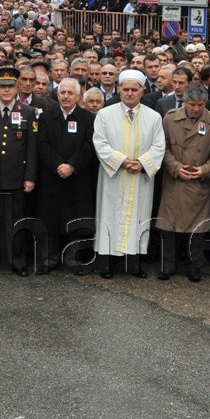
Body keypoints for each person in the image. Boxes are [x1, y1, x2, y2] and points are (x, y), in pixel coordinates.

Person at [92, 69, 166, 278]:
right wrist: (121, 161)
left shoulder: (153, 117)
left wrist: (142, 163)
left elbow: (159, 146)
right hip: (113, 176)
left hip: (139, 177)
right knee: (109, 217)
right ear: (119, 90)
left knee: (138, 218)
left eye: (135, 89)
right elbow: (100, 143)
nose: (130, 93)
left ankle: (133, 263)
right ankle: (105, 263)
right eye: (126, 89)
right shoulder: (105, 114)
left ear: (143, 91)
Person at [158, 84, 210, 282]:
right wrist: (175, 167)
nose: (196, 109)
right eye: (192, 104)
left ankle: (194, 266)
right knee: (168, 226)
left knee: (197, 228)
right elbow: (163, 147)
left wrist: (205, 170)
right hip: (175, 180)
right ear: (184, 102)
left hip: (198, 181)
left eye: (200, 105)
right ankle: (168, 265)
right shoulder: (170, 118)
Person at [0, 66, 39, 277]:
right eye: (1, 87)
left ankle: (18, 260)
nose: (6, 91)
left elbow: (31, 149)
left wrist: (30, 177)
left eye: (10, 86)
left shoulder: (29, 112)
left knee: (17, 220)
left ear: (16, 87)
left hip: (17, 176)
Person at [34, 77, 96, 274]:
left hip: (77, 178)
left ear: (78, 96)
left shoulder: (88, 119)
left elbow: (89, 146)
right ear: (57, 94)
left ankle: (72, 258)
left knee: (75, 217)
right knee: (49, 217)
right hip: (52, 176)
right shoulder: (46, 116)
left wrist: (72, 166)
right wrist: (58, 164)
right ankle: (49, 258)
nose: (66, 96)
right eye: (63, 92)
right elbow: (42, 144)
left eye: (70, 93)